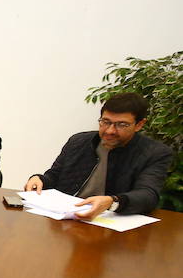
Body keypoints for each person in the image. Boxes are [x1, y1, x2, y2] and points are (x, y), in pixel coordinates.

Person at [24, 92, 172, 219]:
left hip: (110, 224)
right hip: (65, 217)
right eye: (105, 122)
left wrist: (112, 202)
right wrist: (39, 179)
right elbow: (54, 176)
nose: (110, 131)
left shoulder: (154, 153)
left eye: (122, 125)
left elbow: (148, 195)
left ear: (139, 125)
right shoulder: (79, 141)